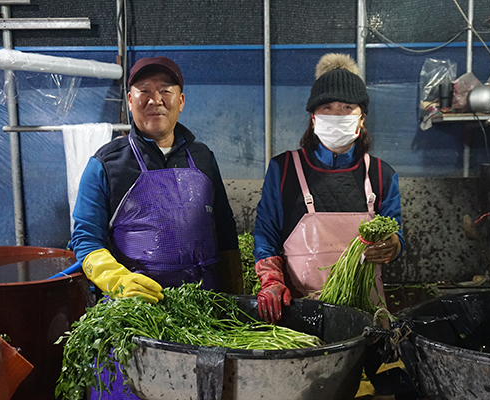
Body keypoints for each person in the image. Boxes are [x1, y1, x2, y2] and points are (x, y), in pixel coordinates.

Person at [71, 55, 242, 300]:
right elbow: (86, 238)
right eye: (144, 91)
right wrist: (117, 280)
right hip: (135, 311)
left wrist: (237, 296)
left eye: (165, 90)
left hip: (206, 307)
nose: (155, 100)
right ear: (130, 100)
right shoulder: (105, 164)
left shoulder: (203, 157)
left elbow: (225, 231)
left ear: (181, 101)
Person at [253, 53, 405, 325]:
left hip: (365, 312)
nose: (337, 115)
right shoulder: (284, 169)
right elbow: (266, 235)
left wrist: (393, 245)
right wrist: (272, 280)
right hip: (299, 310)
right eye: (327, 108)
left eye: (347, 108)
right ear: (313, 117)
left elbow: (396, 233)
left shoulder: (382, 174)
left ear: (362, 118)